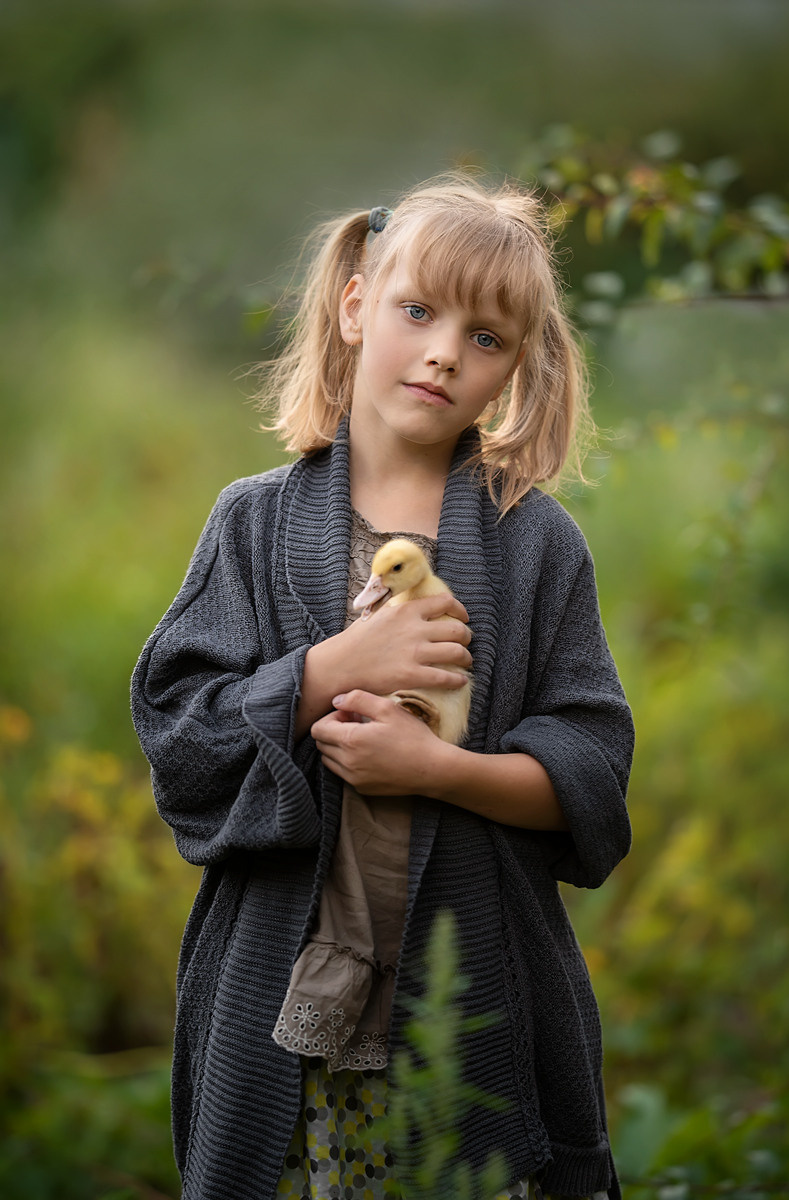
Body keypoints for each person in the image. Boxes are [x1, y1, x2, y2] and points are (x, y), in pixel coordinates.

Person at [130, 175, 635, 1200]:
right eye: (417, 311)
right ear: (357, 306)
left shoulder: (536, 545)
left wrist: (437, 770)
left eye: (485, 338)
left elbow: (590, 773)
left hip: (472, 1015)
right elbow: (181, 740)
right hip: (291, 1016)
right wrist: (329, 671)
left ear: (514, 370)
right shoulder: (252, 524)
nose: (445, 352)